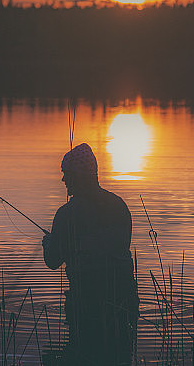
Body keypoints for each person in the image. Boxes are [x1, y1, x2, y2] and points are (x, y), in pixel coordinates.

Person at [42, 143, 138, 365]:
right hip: (124, 303)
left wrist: (48, 243)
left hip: (86, 307)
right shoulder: (119, 206)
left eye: (66, 174)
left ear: (78, 175)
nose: (63, 180)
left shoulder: (67, 215)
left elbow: (53, 261)